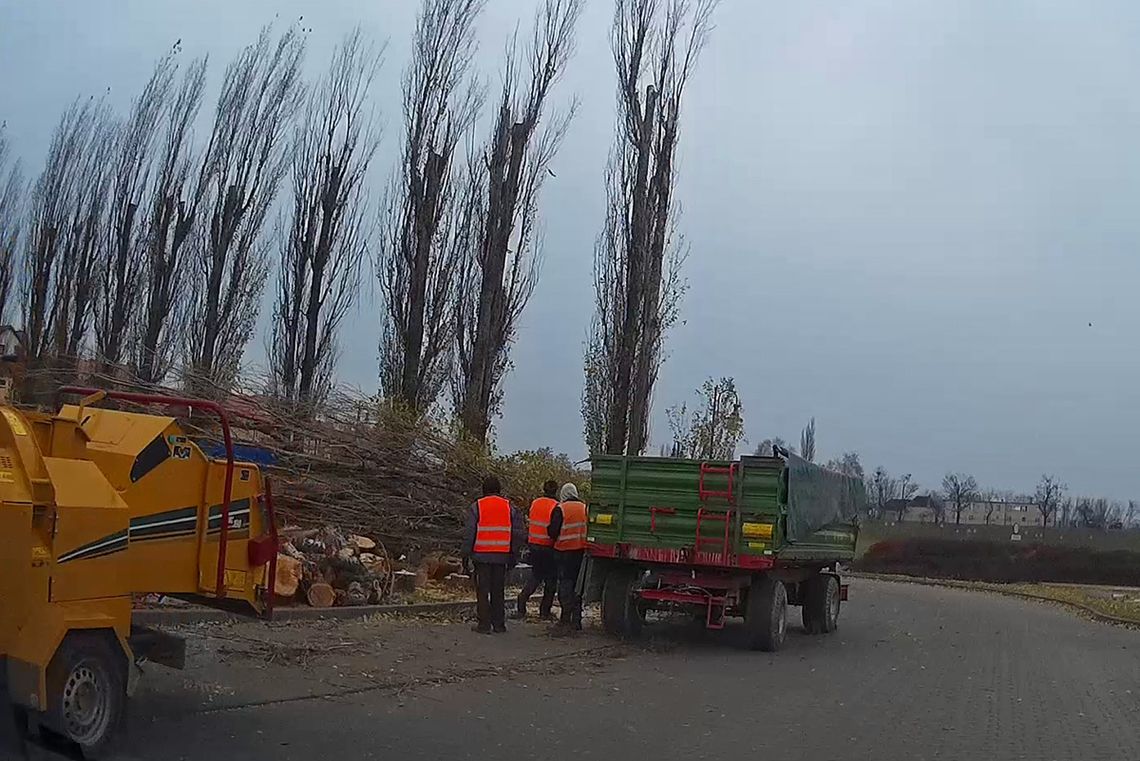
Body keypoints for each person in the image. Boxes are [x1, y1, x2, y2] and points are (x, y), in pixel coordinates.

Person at [462, 475, 524, 634]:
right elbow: (517, 534)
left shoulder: (477, 506)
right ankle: (499, 624)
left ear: (484, 489)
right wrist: (513, 555)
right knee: (498, 590)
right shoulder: (510, 507)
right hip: (502, 556)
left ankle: (484, 624)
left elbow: (470, 533)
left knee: (483, 591)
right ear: (499, 489)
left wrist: (466, 555)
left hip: (481, 556)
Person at [512, 480, 560, 620]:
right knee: (551, 580)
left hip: (533, 544)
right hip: (548, 546)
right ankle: (544, 611)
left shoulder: (535, 503)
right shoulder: (556, 506)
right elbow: (555, 529)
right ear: (556, 490)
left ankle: (522, 602)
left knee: (536, 575)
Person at [549, 482, 588, 631]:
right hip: (581, 552)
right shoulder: (584, 508)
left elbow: (553, 531)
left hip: (564, 552)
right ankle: (577, 620)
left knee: (565, 586)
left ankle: (565, 619)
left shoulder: (560, 509)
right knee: (577, 588)